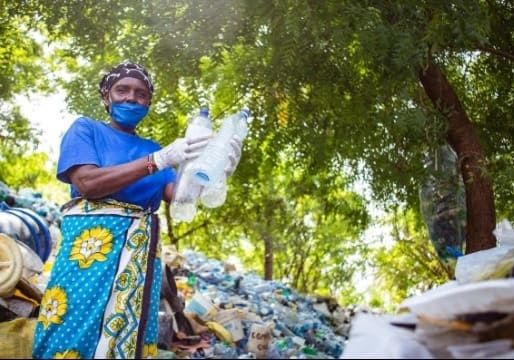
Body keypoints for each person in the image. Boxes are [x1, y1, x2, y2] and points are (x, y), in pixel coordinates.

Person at [32, 61, 242, 359]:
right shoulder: (86, 130)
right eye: (122, 90)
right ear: (106, 97)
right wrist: (155, 161)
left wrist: (217, 173)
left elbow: (181, 197)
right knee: (73, 325)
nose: (131, 97)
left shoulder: (153, 147)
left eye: (140, 93)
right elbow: (88, 183)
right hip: (90, 256)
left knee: (128, 333)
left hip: (139, 260)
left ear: (148, 102)